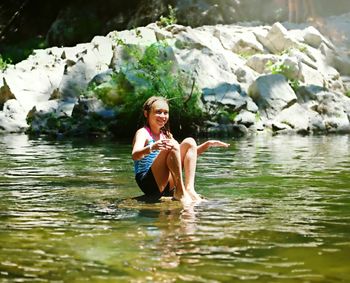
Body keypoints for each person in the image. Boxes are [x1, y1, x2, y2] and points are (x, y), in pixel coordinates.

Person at [132, 96, 230, 204]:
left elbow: (182, 155)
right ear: (146, 114)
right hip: (148, 183)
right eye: (158, 112)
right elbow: (135, 155)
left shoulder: (166, 134)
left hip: (166, 184)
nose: (163, 116)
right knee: (173, 144)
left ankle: (189, 189)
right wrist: (152, 147)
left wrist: (207, 145)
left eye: (166, 112)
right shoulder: (143, 133)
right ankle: (180, 192)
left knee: (189, 141)